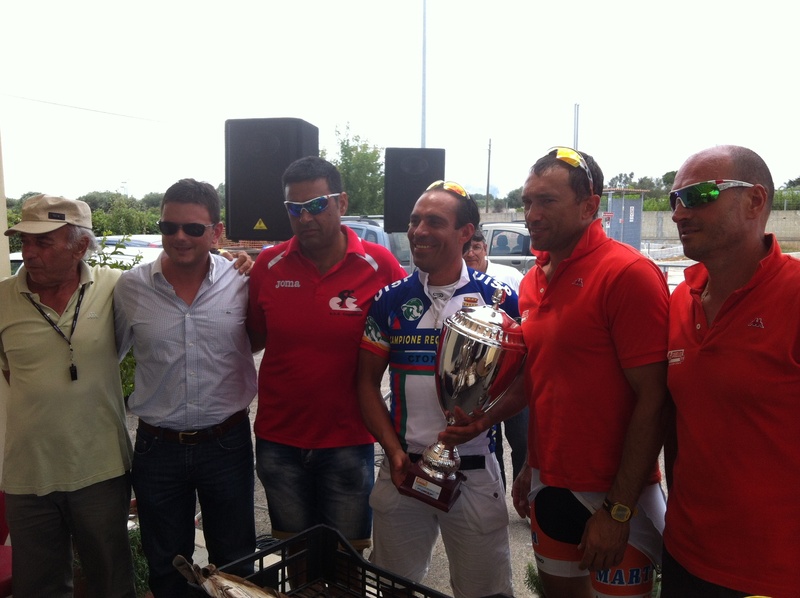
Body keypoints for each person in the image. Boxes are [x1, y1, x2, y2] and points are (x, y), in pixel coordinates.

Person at [441, 148, 670, 598]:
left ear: (589, 206)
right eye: (527, 201)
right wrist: (523, 455)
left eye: (546, 201)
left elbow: (656, 399)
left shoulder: (627, 273)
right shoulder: (533, 280)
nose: (531, 214)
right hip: (549, 484)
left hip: (615, 494)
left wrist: (618, 510)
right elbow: (540, 377)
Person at [358, 180, 516, 598]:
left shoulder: (499, 299)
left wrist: (485, 420)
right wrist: (392, 451)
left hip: (474, 471)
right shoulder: (390, 299)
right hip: (402, 470)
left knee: (486, 593)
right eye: (414, 221)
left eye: (434, 221)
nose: (419, 231)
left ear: (466, 233)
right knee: (391, 589)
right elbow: (365, 384)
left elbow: (526, 383)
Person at [247, 156, 406, 553]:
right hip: (279, 441)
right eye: (295, 209)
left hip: (348, 441)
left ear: (342, 202)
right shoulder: (268, 265)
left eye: (317, 205)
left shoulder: (380, 265)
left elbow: (410, 334)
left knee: (346, 559)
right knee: (296, 557)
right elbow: (252, 339)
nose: (305, 218)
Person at [661, 145, 800, 598]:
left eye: (698, 195)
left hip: (772, 574)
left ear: (755, 201)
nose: (679, 213)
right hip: (683, 555)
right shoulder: (680, 301)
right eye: (675, 199)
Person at [114, 179, 258, 598]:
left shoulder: (242, 280)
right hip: (158, 447)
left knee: (236, 561)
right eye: (169, 226)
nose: (179, 237)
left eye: (193, 228)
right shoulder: (130, 287)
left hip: (226, 442)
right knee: (166, 564)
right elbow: (106, 355)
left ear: (216, 232)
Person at [0, 194, 136, 597]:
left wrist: (238, 264)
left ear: (80, 247)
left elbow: (178, 276)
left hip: (101, 469)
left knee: (111, 583)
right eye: (24, 241)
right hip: (28, 473)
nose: (29, 253)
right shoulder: (1, 298)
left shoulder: (117, 286)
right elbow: (10, 371)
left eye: (43, 242)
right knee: (37, 587)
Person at [463, 230, 527, 489]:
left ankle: (523, 491)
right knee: (491, 442)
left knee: (522, 438)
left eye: (476, 247)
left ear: (485, 248)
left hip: (512, 376)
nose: (471, 253)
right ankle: (496, 490)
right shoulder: (460, 282)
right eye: (466, 248)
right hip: (479, 379)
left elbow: (528, 318)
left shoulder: (509, 277)